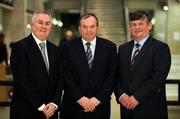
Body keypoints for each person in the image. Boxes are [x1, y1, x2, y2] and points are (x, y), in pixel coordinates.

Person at [115, 10, 171, 119]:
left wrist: (136, 98)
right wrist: (121, 95)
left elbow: (157, 79)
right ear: (130, 27)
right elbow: (116, 75)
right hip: (127, 109)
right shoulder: (123, 49)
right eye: (133, 24)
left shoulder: (160, 48)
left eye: (141, 24)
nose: (137, 27)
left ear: (149, 25)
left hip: (150, 108)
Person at [60, 13, 117, 119]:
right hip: (72, 107)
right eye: (84, 27)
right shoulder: (66, 47)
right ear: (79, 28)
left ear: (97, 27)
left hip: (99, 108)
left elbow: (112, 76)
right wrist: (81, 99)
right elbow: (65, 75)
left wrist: (97, 99)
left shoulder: (109, 47)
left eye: (92, 26)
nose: (88, 30)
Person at [10, 11, 63, 119]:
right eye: (40, 22)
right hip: (26, 112)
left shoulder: (56, 50)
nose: (44, 26)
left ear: (51, 27)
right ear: (31, 24)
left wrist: (54, 104)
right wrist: (41, 106)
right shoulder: (19, 48)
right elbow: (22, 81)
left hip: (51, 112)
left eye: (47, 23)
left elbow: (60, 79)